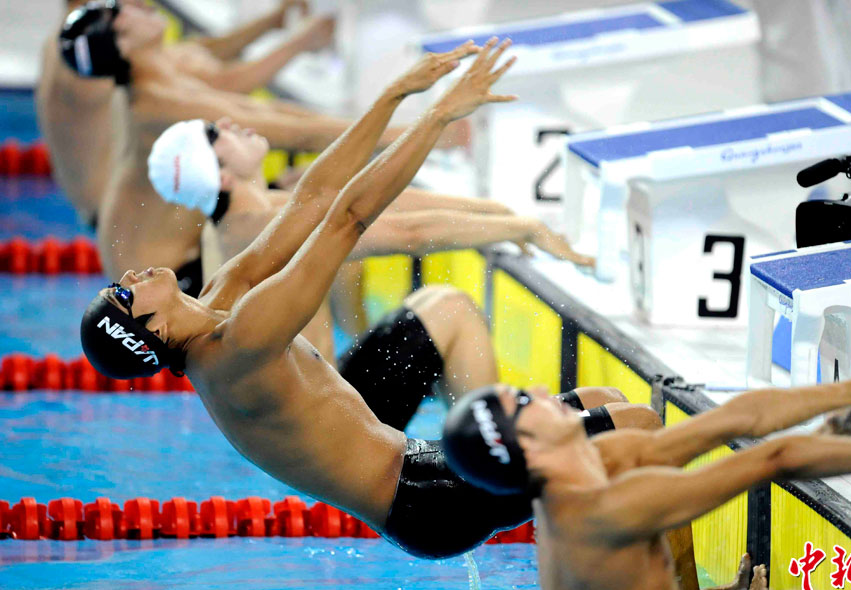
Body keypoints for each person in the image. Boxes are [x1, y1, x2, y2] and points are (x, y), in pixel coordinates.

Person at [77, 38, 629, 561]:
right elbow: (346, 219)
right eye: (124, 292)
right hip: (428, 502)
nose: (129, 275)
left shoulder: (219, 297)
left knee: (605, 400)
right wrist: (438, 116)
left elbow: (314, 196)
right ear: (150, 327)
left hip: (422, 461)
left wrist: (397, 94)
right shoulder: (236, 347)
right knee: (635, 426)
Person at [441, 377, 851, 590]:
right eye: (524, 401)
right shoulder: (603, 511)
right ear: (528, 448)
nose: (540, 388)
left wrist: (848, 391)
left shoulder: (597, 462)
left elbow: (731, 420)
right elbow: (774, 459)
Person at [145, 115, 593, 364]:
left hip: (319, 390)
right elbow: (409, 234)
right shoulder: (259, 225)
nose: (227, 122)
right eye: (214, 135)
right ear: (221, 176)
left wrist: (500, 213)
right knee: (449, 307)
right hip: (325, 420)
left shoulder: (247, 217)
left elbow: (393, 203)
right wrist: (525, 229)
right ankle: (492, 471)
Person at [52, 0, 411, 295]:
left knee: (309, 189)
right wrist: (415, 132)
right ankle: (344, 351)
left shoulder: (151, 81)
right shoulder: (155, 104)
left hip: (183, 246)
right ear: (123, 43)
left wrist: (392, 128)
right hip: (171, 282)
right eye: (119, 12)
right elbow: (291, 132)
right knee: (329, 225)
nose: (135, 5)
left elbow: (257, 104)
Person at [36, 0, 334, 226]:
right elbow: (225, 85)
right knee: (324, 205)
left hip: (128, 213)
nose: (142, 5)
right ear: (120, 31)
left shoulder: (78, 40)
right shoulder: (102, 69)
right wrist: (301, 43)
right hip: (142, 223)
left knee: (310, 188)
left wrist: (270, 23)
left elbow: (196, 56)